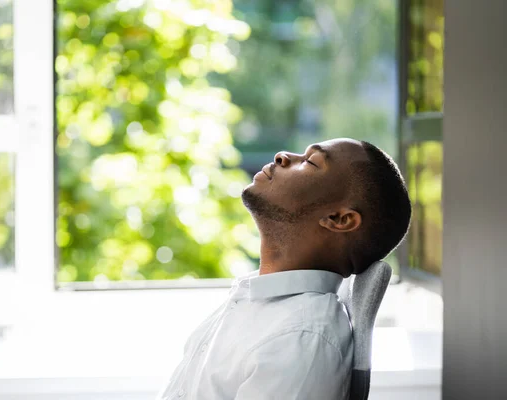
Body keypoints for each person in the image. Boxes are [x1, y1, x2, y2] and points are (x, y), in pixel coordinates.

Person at [157, 138, 412, 400]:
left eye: (311, 162)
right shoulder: (254, 303)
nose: (282, 156)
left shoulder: (303, 337)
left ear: (339, 219)